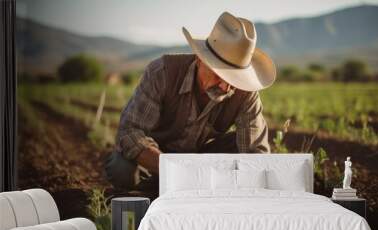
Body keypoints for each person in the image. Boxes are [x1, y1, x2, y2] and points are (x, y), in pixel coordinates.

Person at [104, 11, 277, 196]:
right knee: (121, 169)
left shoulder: (246, 93)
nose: (226, 86)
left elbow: (255, 153)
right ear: (200, 59)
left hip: (198, 160)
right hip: (154, 160)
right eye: (220, 75)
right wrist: (173, 171)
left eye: (234, 78)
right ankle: (157, 189)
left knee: (239, 147)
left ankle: (191, 188)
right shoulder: (162, 72)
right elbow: (129, 132)